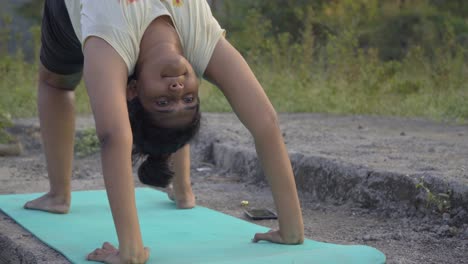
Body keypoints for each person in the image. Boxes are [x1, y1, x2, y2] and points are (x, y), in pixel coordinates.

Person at [24, 0, 305, 263]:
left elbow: (114, 135)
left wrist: (130, 249)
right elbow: (265, 121)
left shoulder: (109, 39)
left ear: (132, 89)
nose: (177, 90)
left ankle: (58, 195)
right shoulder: (199, 36)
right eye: (189, 100)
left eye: (163, 102)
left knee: (56, 83)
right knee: (172, 115)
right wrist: (291, 229)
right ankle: (182, 189)